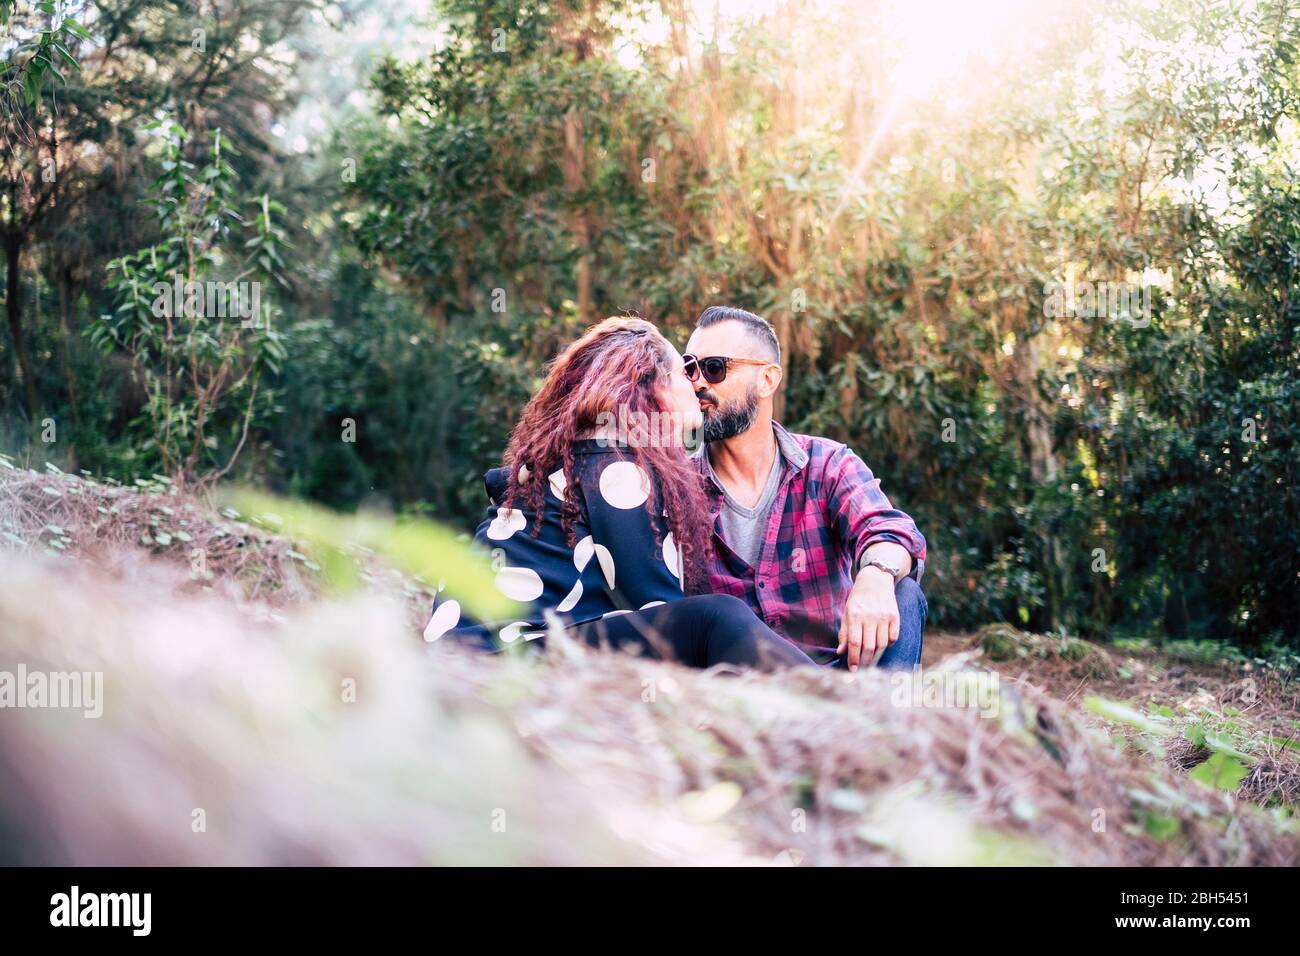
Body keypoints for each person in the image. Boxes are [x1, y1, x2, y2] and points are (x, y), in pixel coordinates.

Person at [424, 316, 814, 672]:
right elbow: (657, 611)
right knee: (714, 620)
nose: (696, 384)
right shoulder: (615, 466)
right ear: (656, 386)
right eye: (685, 371)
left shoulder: (585, 454)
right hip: (502, 656)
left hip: (478, 652)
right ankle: (832, 695)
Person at [684, 306, 929, 671]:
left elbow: (890, 530)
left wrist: (876, 575)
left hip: (838, 678)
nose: (698, 383)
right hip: (737, 696)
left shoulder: (827, 464)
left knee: (904, 593)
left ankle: (879, 722)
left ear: (767, 380)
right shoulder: (676, 481)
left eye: (715, 367)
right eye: (690, 368)